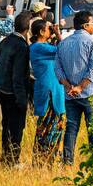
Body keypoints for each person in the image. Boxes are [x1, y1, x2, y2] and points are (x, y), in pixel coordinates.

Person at [55, 10, 93, 166]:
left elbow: (58, 69)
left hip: (70, 95)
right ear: (85, 25)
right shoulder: (92, 42)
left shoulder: (63, 43)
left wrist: (69, 86)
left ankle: (68, 162)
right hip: (90, 93)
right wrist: (80, 87)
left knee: (71, 129)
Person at [0, 11, 34, 167]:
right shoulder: (22, 46)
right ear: (27, 29)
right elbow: (18, 76)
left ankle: (5, 157)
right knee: (17, 127)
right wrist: (22, 100)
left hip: (2, 88)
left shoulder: (6, 41)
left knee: (7, 125)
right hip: (13, 91)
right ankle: (13, 160)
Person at [28, 18, 65, 161]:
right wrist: (58, 33)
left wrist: (54, 36)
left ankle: (51, 158)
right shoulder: (37, 47)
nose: (51, 30)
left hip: (55, 90)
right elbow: (62, 50)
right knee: (46, 127)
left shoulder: (44, 46)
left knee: (56, 126)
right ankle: (43, 159)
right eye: (49, 28)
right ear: (41, 32)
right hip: (48, 92)